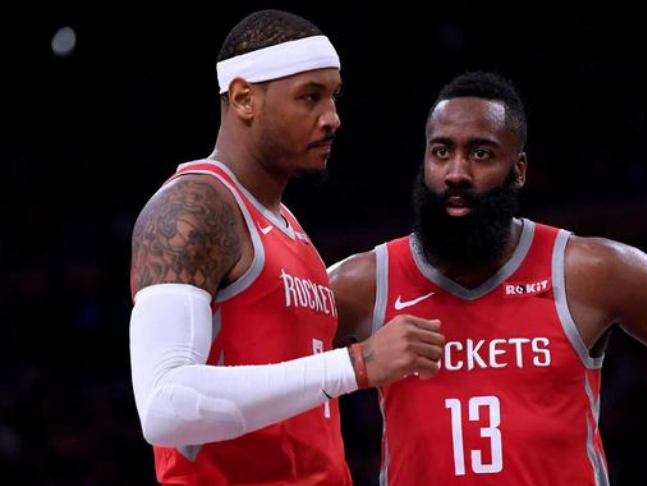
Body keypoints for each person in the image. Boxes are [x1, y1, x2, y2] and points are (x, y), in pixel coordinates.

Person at [329, 71, 647, 486]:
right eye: (441, 152)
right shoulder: (363, 283)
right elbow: (282, 382)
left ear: (519, 169)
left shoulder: (588, 270)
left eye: (481, 154)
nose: (457, 172)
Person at [128, 10, 443, 486]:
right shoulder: (193, 207)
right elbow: (163, 406)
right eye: (310, 97)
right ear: (244, 98)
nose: (332, 118)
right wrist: (356, 365)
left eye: (334, 96)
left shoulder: (290, 229)